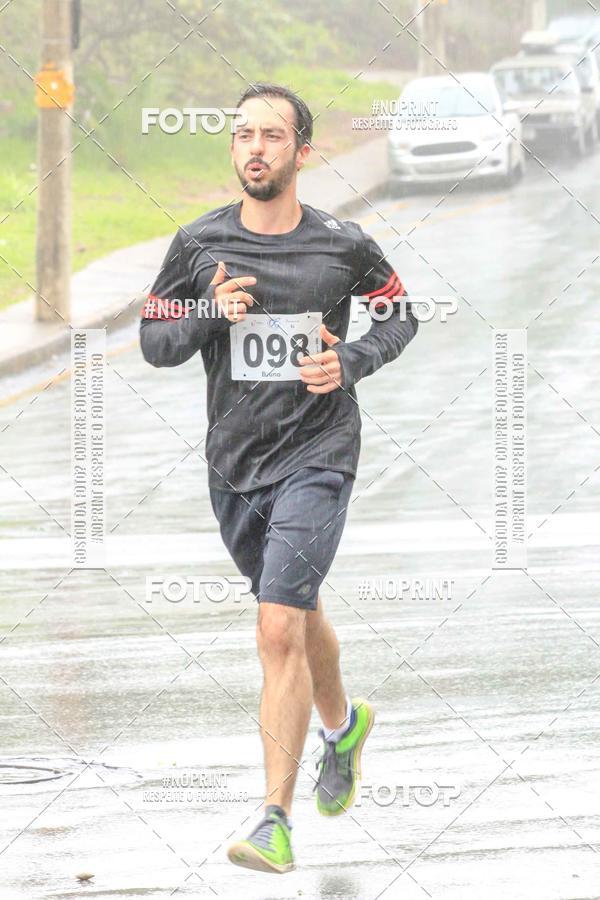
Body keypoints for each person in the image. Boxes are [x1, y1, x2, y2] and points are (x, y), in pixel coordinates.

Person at [140, 82, 418, 874]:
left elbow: (401, 312)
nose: (254, 147)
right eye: (242, 135)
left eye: (271, 135)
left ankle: (272, 819)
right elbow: (153, 340)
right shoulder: (198, 247)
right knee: (293, 614)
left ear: (302, 151)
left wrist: (352, 359)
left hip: (319, 454)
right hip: (234, 467)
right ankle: (342, 727)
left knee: (274, 627)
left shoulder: (343, 245)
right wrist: (205, 317)